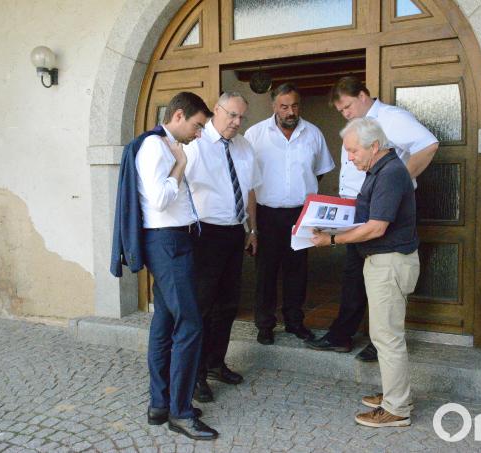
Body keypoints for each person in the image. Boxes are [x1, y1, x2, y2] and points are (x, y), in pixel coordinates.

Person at [305, 76, 438, 362]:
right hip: (356, 205)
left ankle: (380, 342)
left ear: (364, 95)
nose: (346, 113)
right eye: (340, 111)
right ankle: (344, 335)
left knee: (383, 276)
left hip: (380, 207)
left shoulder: (391, 117)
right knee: (354, 274)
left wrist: (396, 181)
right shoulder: (358, 129)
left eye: (348, 107)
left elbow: (428, 144)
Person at [111, 91, 218, 440]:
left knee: (165, 321)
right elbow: (158, 199)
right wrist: (180, 165)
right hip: (168, 242)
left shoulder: (166, 145)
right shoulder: (157, 147)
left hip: (174, 241)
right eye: (198, 125)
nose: (199, 133)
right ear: (178, 116)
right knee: (190, 324)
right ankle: (181, 412)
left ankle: (161, 404)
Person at [312, 117, 420, 427]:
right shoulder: (381, 169)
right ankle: (395, 394)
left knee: (387, 337)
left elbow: (375, 227)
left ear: (374, 146)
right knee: (384, 334)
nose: (349, 157)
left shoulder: (389, 174)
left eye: (353, 150)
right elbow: (364, 213)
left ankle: (397, 408)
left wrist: (331, 239)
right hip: (384, 261)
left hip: (389, 263)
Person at [183, 92, 260, 403]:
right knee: (202, 307)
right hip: (204, 234)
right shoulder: (196, 144)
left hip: (233, 233)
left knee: (228, 304)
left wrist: (252, 229)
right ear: (216, 110)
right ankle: (196, 374)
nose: (236, 122)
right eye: (231, 115)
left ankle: (216, 363)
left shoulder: (243, 146)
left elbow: (250, 189)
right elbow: (177, 188)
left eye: (242, 117)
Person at [244, 83, 335, 345]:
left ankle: (295, 321)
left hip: (300, 214)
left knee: (298, 270)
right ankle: (265, 325)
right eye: (284, 106)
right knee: (266, 272)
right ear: (274, 106)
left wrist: (300, 189)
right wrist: (252, 227)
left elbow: (321, 169)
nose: (290, 111)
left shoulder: (313, 134)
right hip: (266, 213)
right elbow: (247, 179)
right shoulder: (255, 134)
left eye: (294, 105)